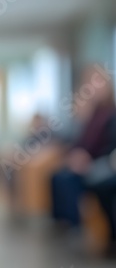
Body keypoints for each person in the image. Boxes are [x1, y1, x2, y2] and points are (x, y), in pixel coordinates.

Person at [50, 64, 116, 230]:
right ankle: (68, 224)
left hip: (103, 162)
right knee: (58, 176)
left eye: (98, 82)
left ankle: (81, 227)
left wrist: (88, 160)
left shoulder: (111, 114)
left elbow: (110, 146)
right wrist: (75, 155)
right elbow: (79, 142)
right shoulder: (90, 114)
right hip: (88, 161)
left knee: (97, 183)